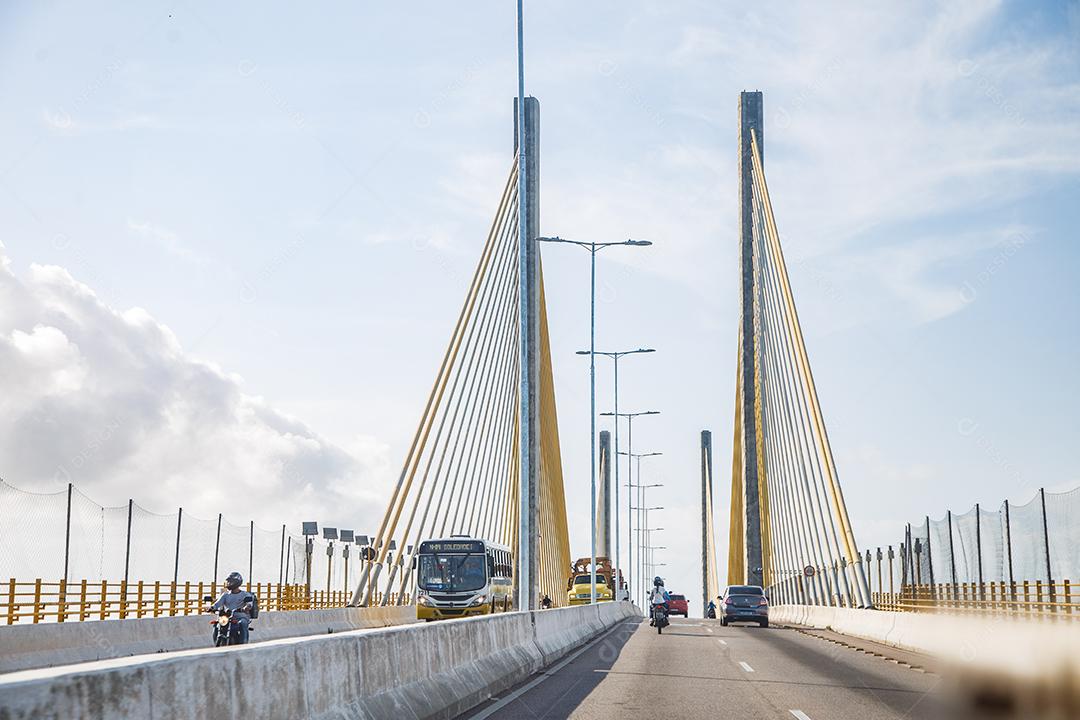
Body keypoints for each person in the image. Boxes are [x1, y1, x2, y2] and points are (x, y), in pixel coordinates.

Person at [210, 571, 255, 644]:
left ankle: (244, 643)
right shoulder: (225, 595)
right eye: (228, 582)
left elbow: (249, 604)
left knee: (242, 623)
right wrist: (211, 607)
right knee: (216, 624)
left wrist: (246, 608)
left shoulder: (245, 594)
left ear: (237, 582)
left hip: (240, 617)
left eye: (230, 582)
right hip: (227, 617)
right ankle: (216, 642)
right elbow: (217, 604)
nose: (228, 584)